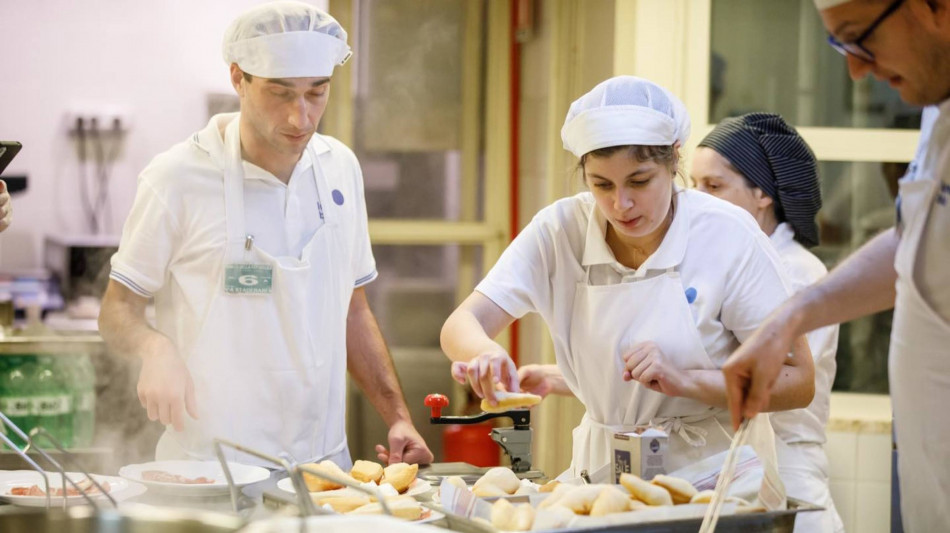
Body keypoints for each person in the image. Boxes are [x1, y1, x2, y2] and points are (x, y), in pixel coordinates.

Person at [97, 2, 432, 467]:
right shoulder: (176, 177)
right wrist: (154, 346)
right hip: (208, 472)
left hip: (323, 470)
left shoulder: (339, 169)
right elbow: (117, 310)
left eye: (317, 93)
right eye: (280, 94)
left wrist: (397, 416)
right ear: (238, 78)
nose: (301, 118)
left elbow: (352, 309)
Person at [440, 76, 815, 481]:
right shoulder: (560, 229)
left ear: (674, 161)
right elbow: (461, 324)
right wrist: (484, 352)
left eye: (639, 181)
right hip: (601, 472)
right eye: (602, 185)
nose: (621, 204)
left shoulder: (726, 235)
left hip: (711, 478)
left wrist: (685, 380)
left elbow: (798, 382)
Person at [721, 0, 950, 530]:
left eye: (859, 37)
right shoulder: (938, 112)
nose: (854, 69)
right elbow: (917, 238)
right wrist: (788, 320)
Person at [692, 112, 842, 532]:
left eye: (714, 186)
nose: (698, 199)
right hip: (740, 468)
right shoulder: (731, 262)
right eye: (693, 184)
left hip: (788, 472)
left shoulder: (794, 271)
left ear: (762, 194)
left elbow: (760, 376)